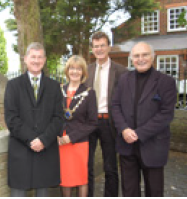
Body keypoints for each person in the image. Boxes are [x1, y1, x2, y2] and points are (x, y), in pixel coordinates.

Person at [112, 42, 177, 197]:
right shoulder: (123, 79)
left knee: (154, 191)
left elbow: (166, 114)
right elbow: (115, 105)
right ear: (131, 58)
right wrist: (124, 129)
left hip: (153, 146)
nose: (140, 59)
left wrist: (139, 133)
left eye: (145, 54)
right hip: (126, 146)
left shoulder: (166, 82)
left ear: (152, 57)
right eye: (136, 55)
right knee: (129, 191)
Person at [4, 42, 64, 197]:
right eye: (33, 57)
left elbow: (58, 118)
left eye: (39, 57)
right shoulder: (13, 85)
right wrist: (32, 139)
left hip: (46, 150)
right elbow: (11, 118)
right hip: (21, 149)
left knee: (43, 193)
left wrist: (43, 140)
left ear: (44, 60)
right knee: (18, 193)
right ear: (25, 59)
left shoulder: (54, 87)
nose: (36, 61)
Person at [86, 31, 127, 197]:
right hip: (89, 123)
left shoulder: (121, 71)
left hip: (109, 122)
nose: (99, 49)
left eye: (102, 45)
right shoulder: (87, 70)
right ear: (92, 49)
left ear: (108, 47)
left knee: (110, 166)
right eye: (96, 46)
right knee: (86, 165)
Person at [58, 56, 98, 197]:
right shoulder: (59, 90)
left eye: (78, 69)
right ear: (67, 71)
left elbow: (93, 122)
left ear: (83, 72)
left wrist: (71, 137)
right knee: (65, 178)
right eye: (72, 68)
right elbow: (54, 116)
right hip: (61, 142)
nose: (75, 72)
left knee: (81, 178)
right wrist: (58, 135)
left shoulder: (89, 92)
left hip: (79, 142)